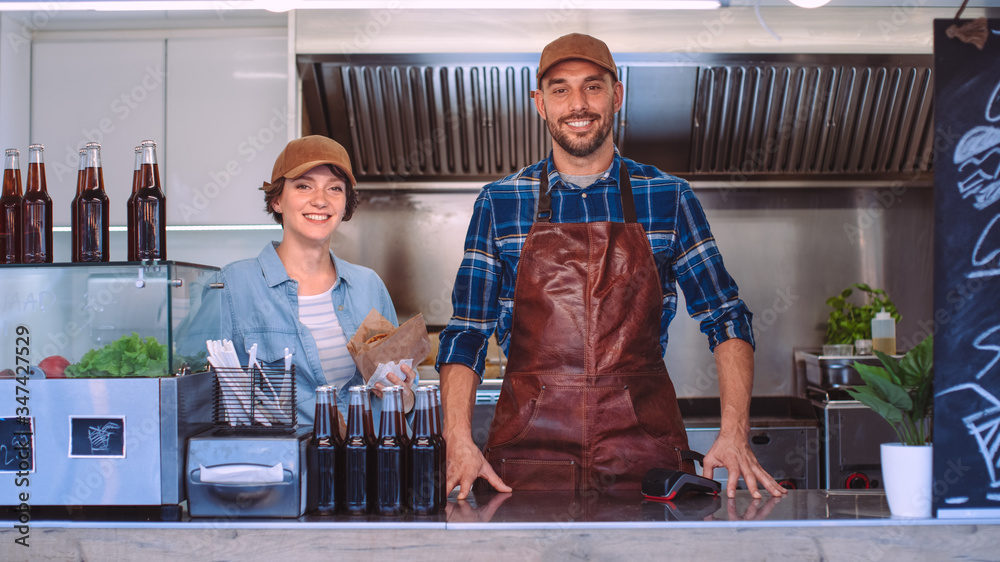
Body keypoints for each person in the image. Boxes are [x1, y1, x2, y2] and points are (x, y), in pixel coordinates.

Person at [436, 33, 786, 499]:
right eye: (560, 89)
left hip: (644, 454)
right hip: (527, 457)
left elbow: (727, 316)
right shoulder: (500, 203)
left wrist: (734, 431)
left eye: (593, 87)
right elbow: (467, 332)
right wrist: (456, 439)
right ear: (541, 104)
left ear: (617, 95)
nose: (577, 103)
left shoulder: (668, 196)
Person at [219, 135, 413, 427]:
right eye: (304, 186)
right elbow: (203, 393)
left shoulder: (368, 285)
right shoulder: (233, 285)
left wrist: (403, 396)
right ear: (277, 200)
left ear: (346, 203)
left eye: (335, 188)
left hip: (369, 464)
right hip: (283, 468)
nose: (320, 200)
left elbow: (403, 400)